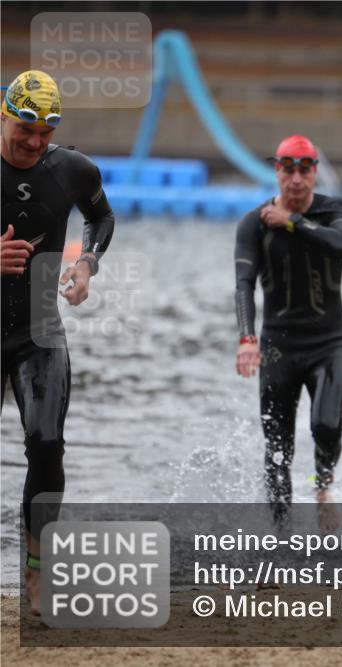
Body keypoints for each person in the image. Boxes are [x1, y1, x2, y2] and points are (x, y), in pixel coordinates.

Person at [1, 70, 115, 613]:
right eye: (25, 129)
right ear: (4, 115)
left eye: (45, 133)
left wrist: (88, 262)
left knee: (46, 444)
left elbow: (101, 216)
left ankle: (36, 569)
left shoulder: (72, 169)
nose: (34, 142)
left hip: (38, 330)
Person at [234, 135, 342, 528]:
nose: (297, 180)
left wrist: (292, 222)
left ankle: (322, 485)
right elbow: (243, 285)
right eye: (288, 170)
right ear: (277, 171)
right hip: (278, 348)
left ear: (315, 172)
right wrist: (247, 339)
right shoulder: (253, 223)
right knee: (277, 449)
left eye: (305, 170)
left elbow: (340, 244)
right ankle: (282, 534)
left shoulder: (335, 210)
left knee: (326, 426)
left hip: (328, 344)